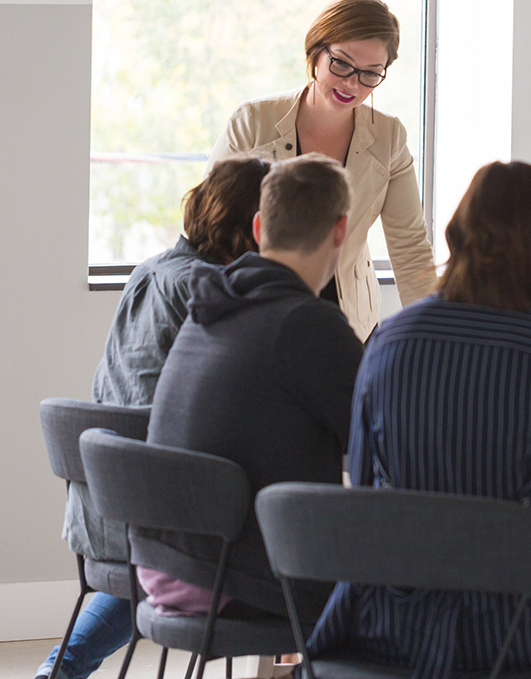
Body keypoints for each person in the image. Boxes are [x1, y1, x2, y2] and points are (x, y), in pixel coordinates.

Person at [307, 161, 531, 679]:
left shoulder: (388, 342)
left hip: (389, 623)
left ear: (457, 235)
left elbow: (366, 496)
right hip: (522, 628)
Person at [35, 156, 271, 679]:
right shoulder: (211, 288)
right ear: (257, 224)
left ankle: (59, 670)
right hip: (160, 518)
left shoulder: (152, 269)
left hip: (102, 509)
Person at [136, 154, 364, 621]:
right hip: (232, 577)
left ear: (259, 228)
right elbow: (380, 439)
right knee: (409, 570)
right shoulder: (308, 323)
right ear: (340, 232)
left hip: (165, 561)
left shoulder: (210, 304)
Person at [208, 0, 436, 340]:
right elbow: (211, 228)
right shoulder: (253, 122)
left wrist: (435, 335)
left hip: (347, 325)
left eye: (370, 74)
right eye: (342, 64)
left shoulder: (389, 137)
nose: (352, 84)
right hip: (257, 317)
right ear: (316, 52)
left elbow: (409, 247)